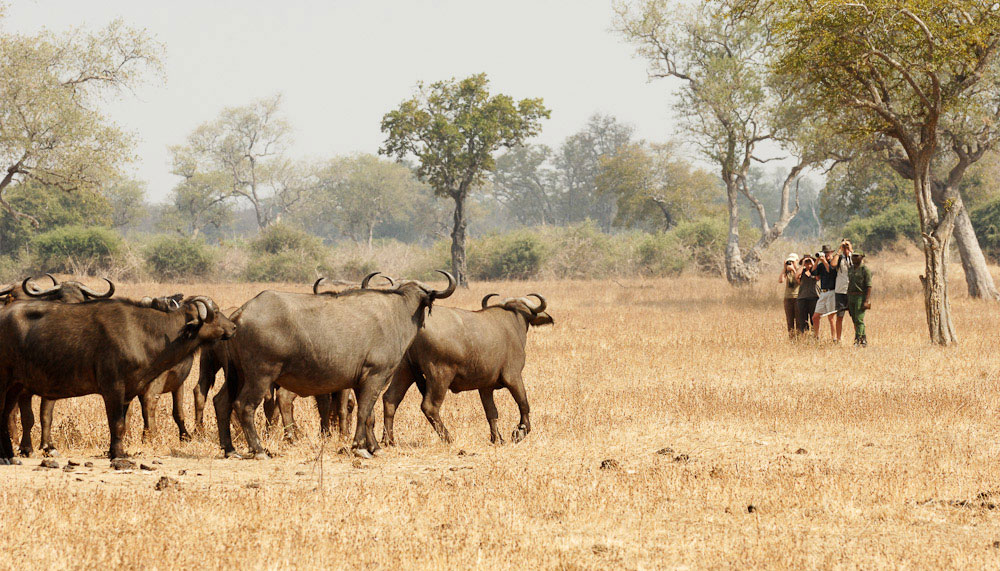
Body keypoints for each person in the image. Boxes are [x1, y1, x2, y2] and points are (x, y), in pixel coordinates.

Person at [811, 245, 839, 339]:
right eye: (825, 253)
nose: (826, 254)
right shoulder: (821, 265)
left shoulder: (833, 263)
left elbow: (830, 271)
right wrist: (817, 260)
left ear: (831, 253)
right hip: (822, 293)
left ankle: (834, 338)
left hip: (831, 292)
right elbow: (813, 273)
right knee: (815, 317)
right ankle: (816, 337)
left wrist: (824, 261)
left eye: (828, 252)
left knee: (831, 318)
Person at [847, 250, 872, 347]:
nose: (854, 258)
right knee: (854, 319)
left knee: (859, 319)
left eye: (856, 256)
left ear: (861, 257)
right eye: (853, 256)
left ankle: (857, 339)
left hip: (860, 296)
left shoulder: (865, 270)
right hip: (851, 296)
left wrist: (866, 301)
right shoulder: (850, 269)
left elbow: (869, 286)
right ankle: (863, 339)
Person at [832, 239, 853, 342]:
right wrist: (839, 250)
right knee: (839, 316)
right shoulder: (839, 257)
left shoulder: (854, 257)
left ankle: (858, 337)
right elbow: (833, 264)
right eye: (844, 246)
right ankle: (839, 339)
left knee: (855, 316)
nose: (845, 248)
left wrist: (850, 250)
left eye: (847, 245)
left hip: (852, 290)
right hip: (840, 290)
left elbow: (859, 265)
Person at [794, 255, 819, 334]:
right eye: (806, 263)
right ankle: (804, 335)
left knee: (813, 319)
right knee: (803, 319)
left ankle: (814, 335)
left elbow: (818, 277)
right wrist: (802, 265)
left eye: (809, 263)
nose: (808, 265)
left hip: (813, 298)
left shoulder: (814, 272)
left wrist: (813, 264)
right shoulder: (802, 272)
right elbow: (796, 276)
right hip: (802, 298)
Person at [778, 253, 799, 337]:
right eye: (789, 261)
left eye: (793, 261)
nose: (791, 263)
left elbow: (799, 281)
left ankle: (799, 338)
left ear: (797, 261)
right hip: (788, 298)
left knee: (798, 320)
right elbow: (780, 280)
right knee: (789, 321)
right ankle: (791, 339)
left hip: (797, 297)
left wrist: (794, 270)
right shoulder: (787, 271)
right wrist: (784, 268)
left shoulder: (799, 270)